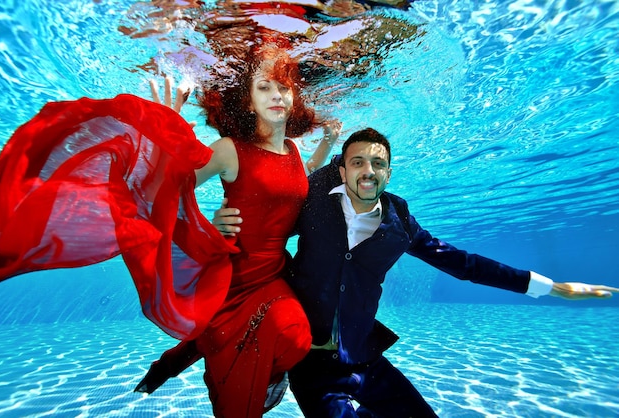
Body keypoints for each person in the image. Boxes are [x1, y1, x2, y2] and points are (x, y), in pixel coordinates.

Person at [210, 127, 619, 417]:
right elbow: (263, 226)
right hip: (308, 362)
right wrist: (222, 220)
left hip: (363, 358)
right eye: (357, 162)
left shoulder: (401, 223)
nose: (367, 170)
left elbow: (465, 265)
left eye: (377, 163)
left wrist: (552, 288)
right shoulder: (312, 198)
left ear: (388, 173)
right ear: (342, 170)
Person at [133, 42, 343, 418]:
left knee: (295, 339)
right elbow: (165, 189)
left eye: (284, 86)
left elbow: (300, 178)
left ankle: (199, 346)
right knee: (237, 379)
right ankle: (197, 351)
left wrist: (328, 142)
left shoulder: (293, 151)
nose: (277, 94)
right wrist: (204, 224)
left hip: (274, 272)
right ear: (247, 102)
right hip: (233, 275)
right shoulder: (231, 149)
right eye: (264, 87)